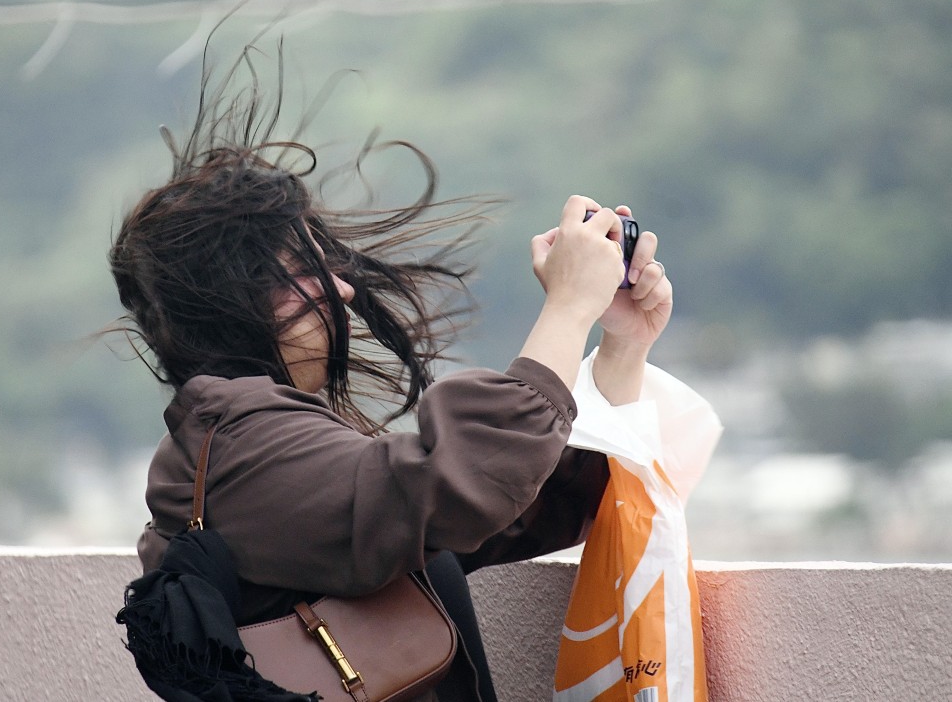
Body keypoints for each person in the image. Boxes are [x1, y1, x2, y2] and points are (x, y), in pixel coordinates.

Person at [109, 42, 679, 702]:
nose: (343, 292)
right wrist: (568, 305)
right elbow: (467, 480)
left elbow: (516, 508)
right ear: (239, 297)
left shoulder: (247, 442)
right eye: (306, 270)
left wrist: (621, 347)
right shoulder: (243, 446)